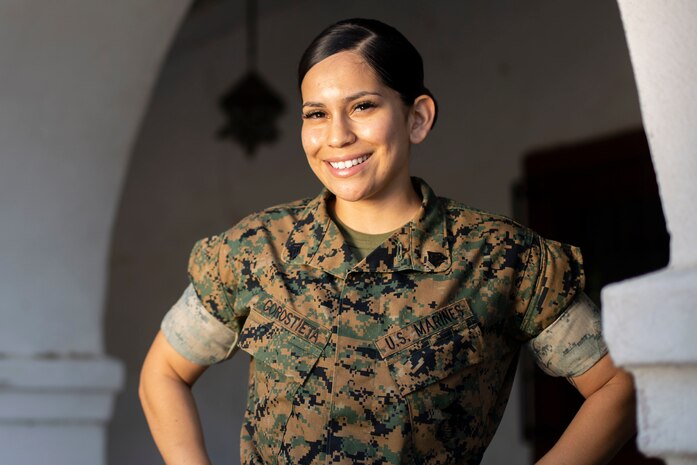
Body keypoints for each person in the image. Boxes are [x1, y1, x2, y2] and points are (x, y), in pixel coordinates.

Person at [139, 18, 636, 465]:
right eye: (316, 114)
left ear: (416, 117)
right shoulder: (256, 250)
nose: (337, 136)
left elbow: (617, 384)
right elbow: (163, 372)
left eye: (362, 106)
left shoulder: (502, 259)